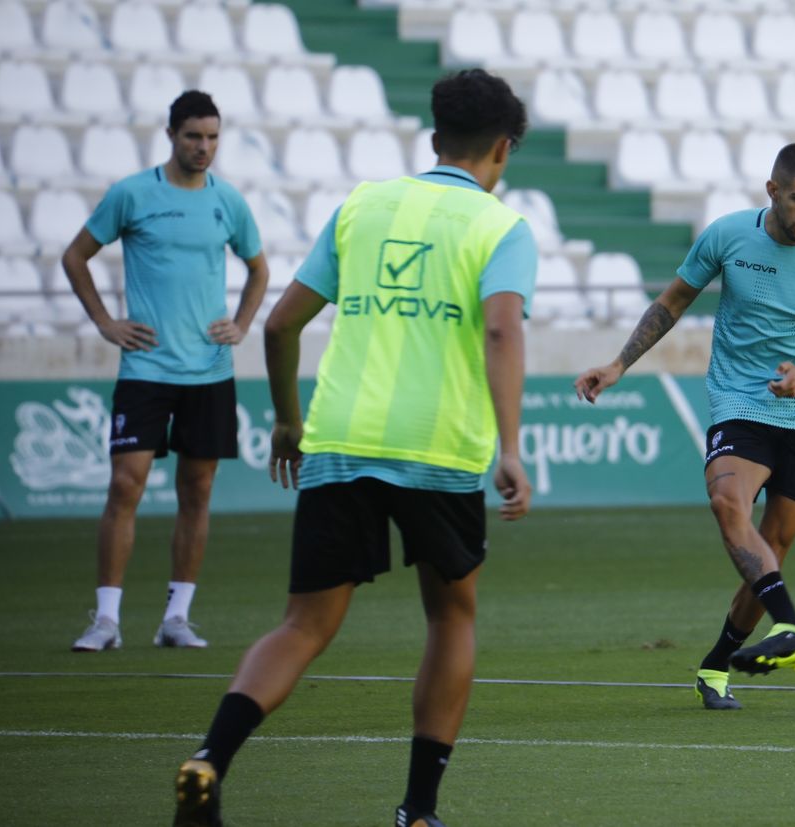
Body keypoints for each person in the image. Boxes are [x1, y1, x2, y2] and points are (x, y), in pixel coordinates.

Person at [171, 69, 536, 827]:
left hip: (340, 438)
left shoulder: (362, 205)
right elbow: (502, 330)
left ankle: (210, 755)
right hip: (438, 449)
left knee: (302, 623)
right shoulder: (500, 227)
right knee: (451, 615)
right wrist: (512, 445)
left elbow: (277, 326)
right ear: (504, 149)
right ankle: (419, 811)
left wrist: (286, 421)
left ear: (434, 140)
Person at [574, 142, 795, 710]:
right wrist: (618, 364)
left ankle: (716, 665)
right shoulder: (728, 236)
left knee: (772, 551)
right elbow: (673, 301)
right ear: (772, 192)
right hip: (741, 401)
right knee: (727, 505)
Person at [62, 90, 268, 652]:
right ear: (171, 135)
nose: (204, 148)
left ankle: (176, 618)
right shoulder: (131, 193)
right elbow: (75, 255)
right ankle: (106, 619)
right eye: (193, 137)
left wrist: (242, 324)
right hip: (147, 367)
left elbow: (258, 269)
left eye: (213, 137)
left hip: (209, 370)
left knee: (196, 491)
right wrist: (106, 322)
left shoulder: (228, 201)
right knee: (124, 484)